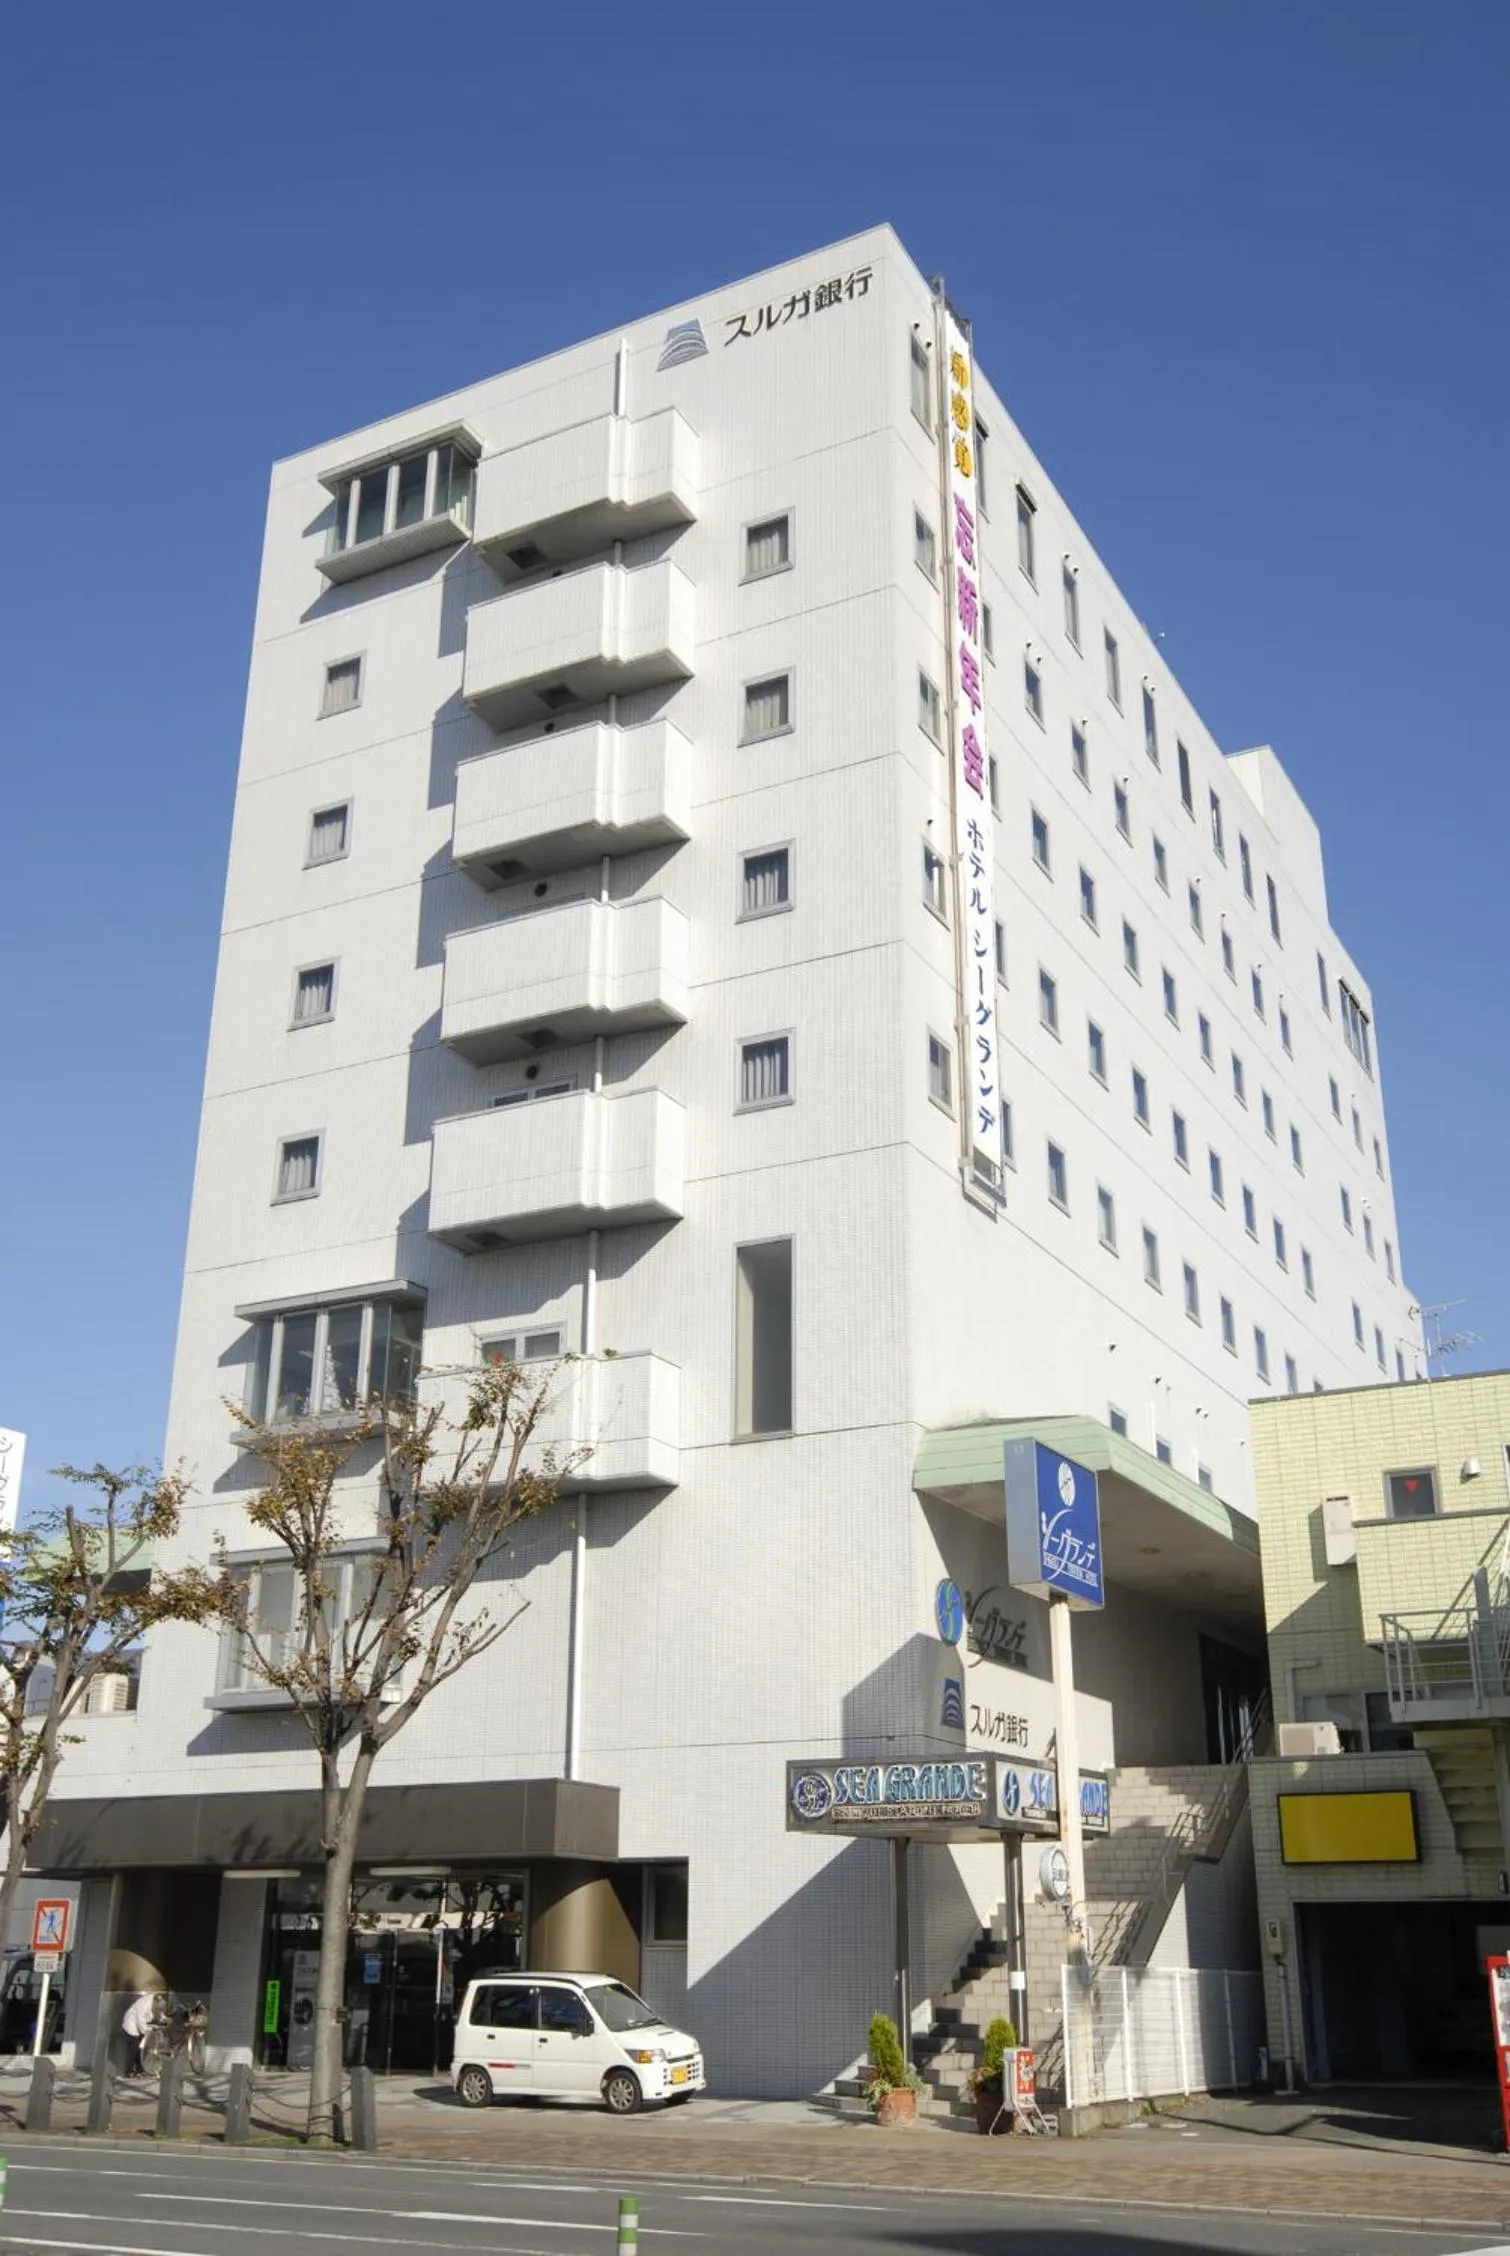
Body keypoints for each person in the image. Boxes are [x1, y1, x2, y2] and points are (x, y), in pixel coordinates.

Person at [121, 1989, 159, 2078]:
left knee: (140, 2049)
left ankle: (140, 2070)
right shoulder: (143, 2004)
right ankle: (128, 2071)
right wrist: (147, 2031)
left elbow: (154, 2014)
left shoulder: (153, 2002)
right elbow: (140, 2021)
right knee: (133, 2049)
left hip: (140, 2026)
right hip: (131, 2025)